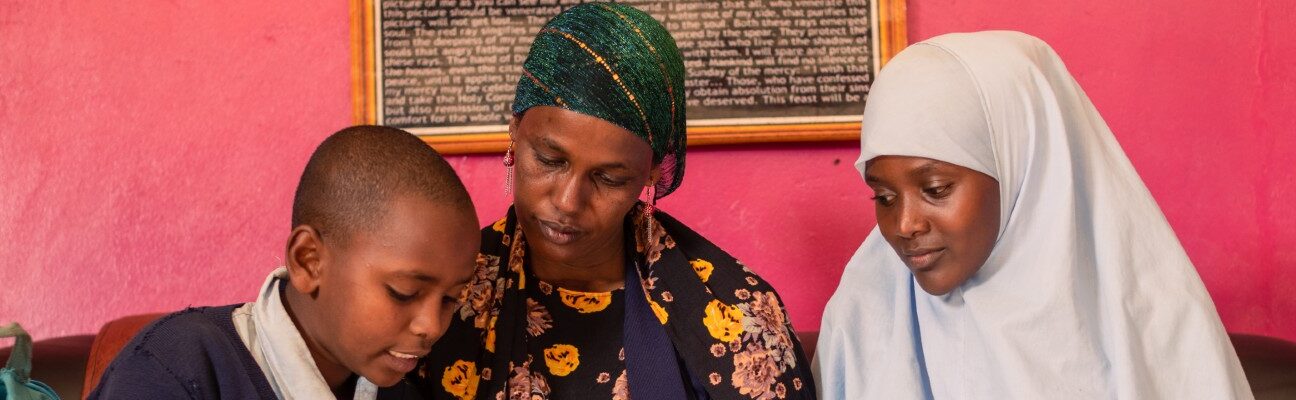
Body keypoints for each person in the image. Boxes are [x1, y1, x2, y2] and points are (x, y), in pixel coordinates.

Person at [814, 31, 1253, 399]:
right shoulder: (863, 311)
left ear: (1025, 167)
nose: (905, 224)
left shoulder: (1156, 322)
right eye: (884, 197)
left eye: (935, 189)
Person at [411, 3, 816, 399]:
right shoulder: (448, 294)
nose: (568, 202)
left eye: (609, 178)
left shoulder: (737, 320)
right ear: (515, 130)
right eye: (550, 160)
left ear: (653, 170)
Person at [90, 126, 481, 399]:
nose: (431, 326)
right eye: (404, 292)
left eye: (451, 299)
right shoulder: (177, 368)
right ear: (308, 261)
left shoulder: (398, 391)